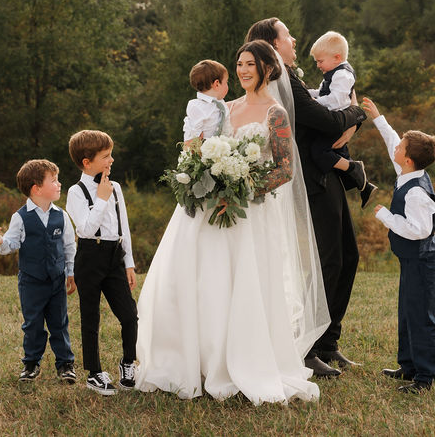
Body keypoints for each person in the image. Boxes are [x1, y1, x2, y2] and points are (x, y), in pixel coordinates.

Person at [135, 39, 330, 404]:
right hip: (213, 209)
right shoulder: (225, 108)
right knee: (208, 281)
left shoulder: (276, 114)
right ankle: (203, 359)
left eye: (249, 65)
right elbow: (201, 146)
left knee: (245, 285)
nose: (242, 71)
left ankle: (244, 360)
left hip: (251, 213)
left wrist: (241, 189)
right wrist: (208, 178)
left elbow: (285, 169)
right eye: (239, 64)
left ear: (267, 70)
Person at [245, 18, 365, 377]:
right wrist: (357, 113)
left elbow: (329, 117)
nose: (294, 39)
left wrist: (349, 121)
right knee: (329, 260)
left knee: (347, 256)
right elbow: (326, 121)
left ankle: (329, 342)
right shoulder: (283, 80)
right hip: (309, 181)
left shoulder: (292, 79)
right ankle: (310, 347)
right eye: (287, 35)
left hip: (323, 176)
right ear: (273, 44)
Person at [362, 96, 435, 392]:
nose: (395, 148)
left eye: (400, 149)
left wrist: (385, 216)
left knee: (422, 318)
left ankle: (429, 378)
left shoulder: (416, 193)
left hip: (422, 262)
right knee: (408, 312)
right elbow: (392, 140)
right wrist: (377, 117)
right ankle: (409, 366)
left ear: (408, 159)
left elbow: (419, 230)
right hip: (409, 261)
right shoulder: (407, 172)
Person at [0, 159, 78, 384]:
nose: (59, 184)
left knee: (59, 322)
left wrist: (71, 273)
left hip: (56, 280)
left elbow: (69, 246)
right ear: (36, 188)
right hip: (32, 282)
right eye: (54, 180)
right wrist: (0, 241)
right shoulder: (21, 217)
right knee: (33, 323)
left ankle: (65, 363)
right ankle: (31, 363)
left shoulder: (62, 215)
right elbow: (11, 243)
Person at [65, 130, 139, 396]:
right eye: (106, 156)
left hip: (115, 256)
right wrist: (101, 199)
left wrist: (128, 262)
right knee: (90, 316)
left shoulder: (115, 187)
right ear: (87, 162)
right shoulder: (75, 192)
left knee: (129, 315)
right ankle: (94, 373)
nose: (111, 160)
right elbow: (84, 229)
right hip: (90, 257)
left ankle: (128, 362)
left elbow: (124, 227)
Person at [306, 31, 376, 208]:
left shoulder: (342, 75)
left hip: (337, 121)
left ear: (336, 57)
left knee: (319, 151)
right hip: (334, 120)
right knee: (340, 155)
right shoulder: (333, 72)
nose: (318, 65)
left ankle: (355, 169)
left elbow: (336, 100)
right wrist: (306, 94)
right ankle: (365, 187)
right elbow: (322, 92)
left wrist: (313, 104)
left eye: (320, 61)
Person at [183, 59, 230, 143]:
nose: (227, 85)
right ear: (217, 84)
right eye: (226, 82)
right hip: (204, 151)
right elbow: (192, 136)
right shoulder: (196, 106)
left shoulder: (221, 104)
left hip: (224, 150)